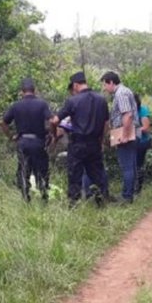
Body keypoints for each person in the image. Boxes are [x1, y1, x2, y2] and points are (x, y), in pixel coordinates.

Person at [52, 72, 109, 205]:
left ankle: (73, 204)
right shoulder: (101, 100)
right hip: (94, 143)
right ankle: (101, 201)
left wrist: (54, 134)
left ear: (76, 85)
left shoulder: (73, 101)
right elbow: (106, 124)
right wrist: (101, 141)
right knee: (97, 174)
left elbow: (55, 120)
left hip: (78, 143)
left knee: (74, 175)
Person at [0, 78, 53, 202]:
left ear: (22, 91)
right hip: (38, 142)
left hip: (22, 141)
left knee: (24, 168)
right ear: (35, 91)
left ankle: (25, 195)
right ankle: (44, 194)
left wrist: (10, 136)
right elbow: (52, 120)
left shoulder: (16, 105)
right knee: (41, 168)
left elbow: (2, 122)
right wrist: (51, 134)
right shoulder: (42, 104)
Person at [101, 71, 139, 204]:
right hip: (127, 131)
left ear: (111, 82)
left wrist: (124, 135)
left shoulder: (121, 93)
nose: (105, 89)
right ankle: (129, 192)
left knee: (127, 166)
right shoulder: (124, 91)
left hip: (125, 132)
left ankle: (127, 196)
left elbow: (127, 115)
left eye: (105, 85)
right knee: (130, 165)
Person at [134, 94, 152, 193]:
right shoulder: (130, 111)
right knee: (134, 164)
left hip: (142, 141)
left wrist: (132, 130)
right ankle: (135, 185)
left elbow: (146, 128)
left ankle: (138, 187)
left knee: (138, 164)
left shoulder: (142, 110)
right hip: (134, 141)